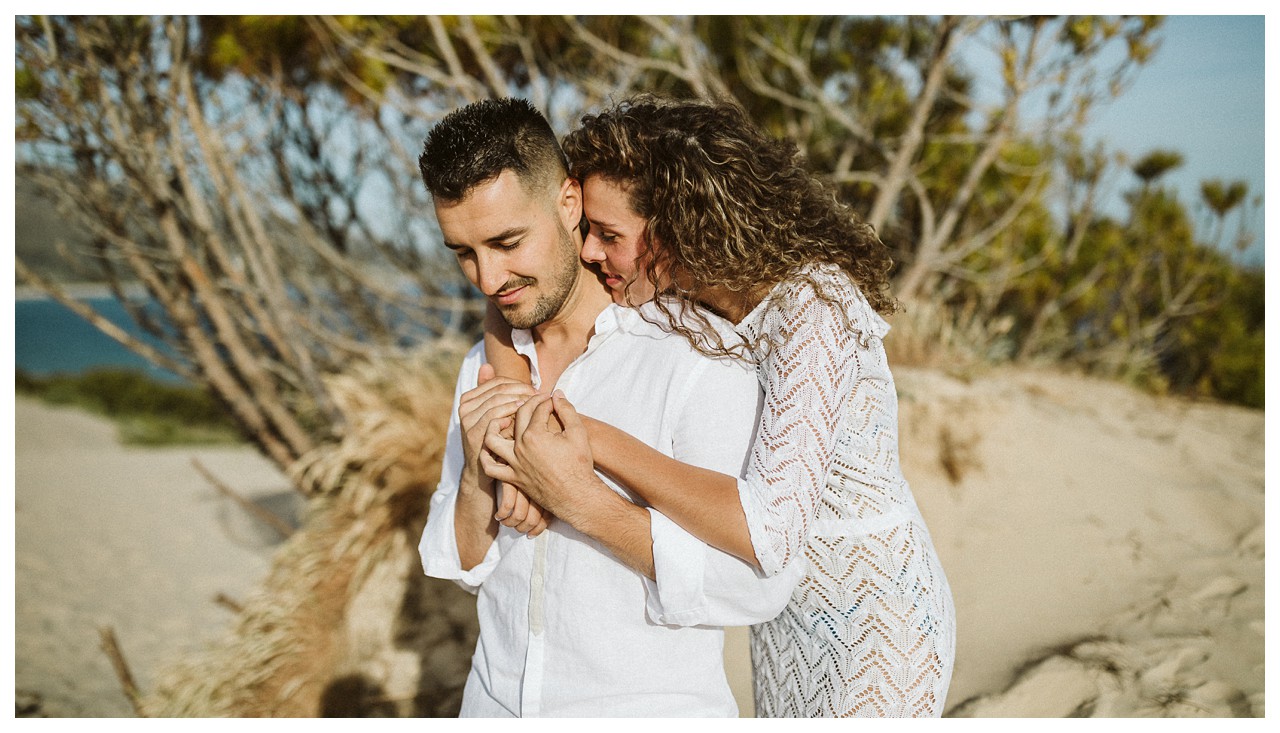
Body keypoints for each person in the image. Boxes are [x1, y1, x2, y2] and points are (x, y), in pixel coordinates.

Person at [480, 95, 956, 717]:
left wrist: (591, 440)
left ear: (681, 225)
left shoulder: (816, 306)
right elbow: (511, 298)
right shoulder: (686, 295)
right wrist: (521, 409)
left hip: (875, 618)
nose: (591, 251)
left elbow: (768, 533)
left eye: (609, 235)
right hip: (782, 625)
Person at [415, 97, 799, 717]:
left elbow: (758, 587)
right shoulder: (485, 365)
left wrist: (583, 506)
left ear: (570, 203)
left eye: (508, 242)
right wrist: (476, 478)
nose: (488, 279)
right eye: (464, 252)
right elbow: (459, 560)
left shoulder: (697, 359)